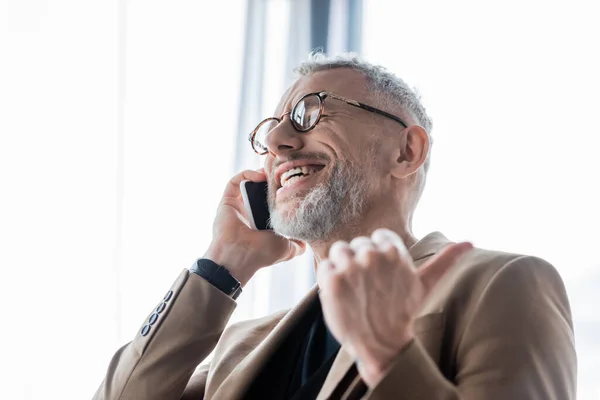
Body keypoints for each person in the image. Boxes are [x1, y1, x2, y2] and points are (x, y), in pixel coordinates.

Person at [93, 53, 577, 400]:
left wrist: (388, 358)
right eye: (270, 130)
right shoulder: (242, 345)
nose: (278, 142)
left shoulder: (503, 283)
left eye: (309, 112)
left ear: (406, 151)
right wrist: (222, 264)